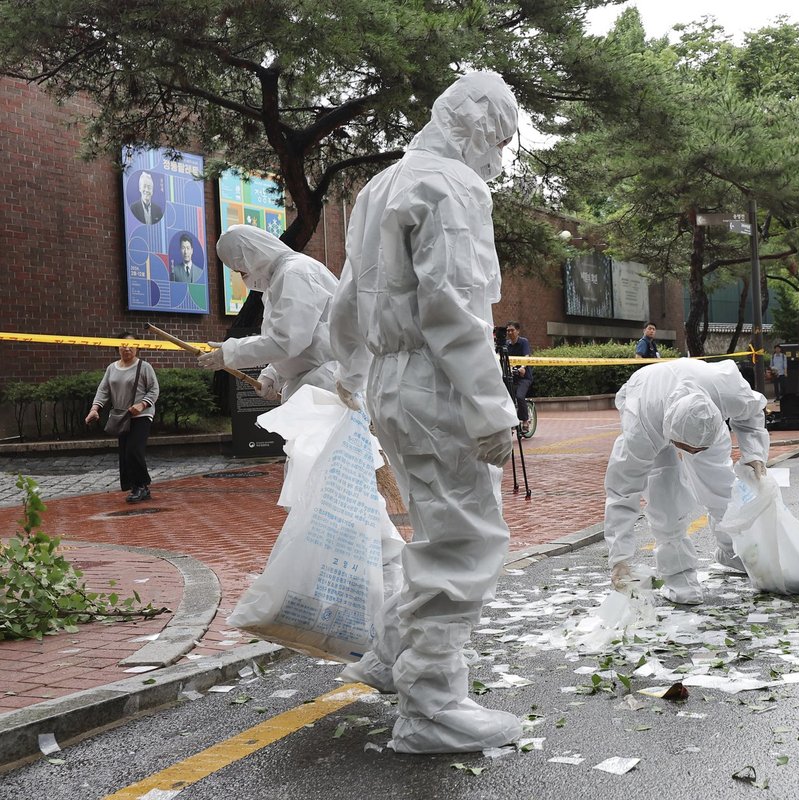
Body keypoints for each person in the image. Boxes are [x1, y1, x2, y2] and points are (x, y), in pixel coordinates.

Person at [328, 71, 522, 754]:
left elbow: (350, 294)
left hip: (390, 381)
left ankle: (390, 656)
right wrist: (490, 407)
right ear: (476, 125)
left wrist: (350, 372)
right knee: (462, 540)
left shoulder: (381, 184)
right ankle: (432, 704)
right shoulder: (454, 187)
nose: (497, 154)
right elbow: (456, 305)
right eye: (497, 137)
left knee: (432, 527)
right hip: (436, 386)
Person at [605, 358, 770, 605]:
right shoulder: (641, 427)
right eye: (686, 448)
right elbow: (622, 492)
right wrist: (619, 559)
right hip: (649, 400)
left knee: (721, 487)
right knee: (665, 498)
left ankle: (731, 550)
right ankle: (679, 577)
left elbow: (752, 412)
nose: (691, 454)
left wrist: (755, 454)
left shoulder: (727, 391)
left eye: (698, 448)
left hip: (700, 406)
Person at [197, 224, 339, 403]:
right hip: (315, 386)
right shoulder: (281, 279)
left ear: (249, 257)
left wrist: (232, 353)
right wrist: (272, 375)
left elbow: (286, 342)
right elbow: (296, 342)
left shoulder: (295, 273)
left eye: (240, 270)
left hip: (328, 386)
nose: (243, 277)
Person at [84, 333, 160, 503]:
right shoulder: (112, 368)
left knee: (134, 450)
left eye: (131, 345)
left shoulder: (144, 367)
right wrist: (95, 409)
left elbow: (154, 390)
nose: (126, 348)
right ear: (117, 347)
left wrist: (142, 405)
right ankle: (137, 487)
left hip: (142, 415)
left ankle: (141, 486)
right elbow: (103, 391)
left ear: (137, 347)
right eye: (123, 345)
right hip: (121, 416)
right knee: (125, 454)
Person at [505, 321, 534, 434]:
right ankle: (511, 422)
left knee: (520, 396)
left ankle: (525, 420)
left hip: (524, 377)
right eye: (508, 330)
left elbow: (526, 356)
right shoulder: (506, 345)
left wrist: (523, 367)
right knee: (507, 398)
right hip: (512, 376)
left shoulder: (523, 342)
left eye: (512, 330)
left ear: (518, 331)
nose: (510, 332)